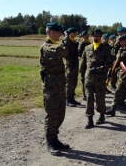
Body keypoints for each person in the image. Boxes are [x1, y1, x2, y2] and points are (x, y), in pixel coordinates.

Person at [39, 22, 70, 156]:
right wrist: (68, 39)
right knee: (52, 114)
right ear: (52, 33)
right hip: (51, 87)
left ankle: (55, 139)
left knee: (60, 113)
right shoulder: (47, 47)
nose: (60, 35)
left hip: (59, 85)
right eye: (59, 33)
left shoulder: (55, 44)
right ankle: (50, 141)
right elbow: (62, 52)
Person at [80, 29, 113, 129]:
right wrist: (81, 74)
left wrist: (98, 69)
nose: (96, 37)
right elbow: (83, 62)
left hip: (99, 79)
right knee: (89, 98)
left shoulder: (105, 49)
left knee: (100, 98)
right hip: (88, 79)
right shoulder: (87, 48)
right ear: (92, 36)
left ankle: (102, 115)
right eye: (95, 35)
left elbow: (109, 64)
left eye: (98, 35)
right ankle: (90, 119)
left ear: (101, 36)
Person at [65, 27, 82, 107]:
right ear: (69, 33)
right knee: (69, 81)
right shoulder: (67, 41)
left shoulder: (73, 41)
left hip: (75, 63)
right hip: (69, 64)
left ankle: (72, 97)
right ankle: (67, 98)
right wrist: (66, 38)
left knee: (74, 81)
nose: (75, 34)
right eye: (73, 32)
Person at [78, 31, 91, 101]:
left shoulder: (88, 42)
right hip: (84, 64)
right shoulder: (82, 43)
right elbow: (79, 53)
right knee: (83, 79)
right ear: (83, 36)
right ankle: (84, 94)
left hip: (89, 64)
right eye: (85, 35)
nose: (87, 35)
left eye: (87, 34)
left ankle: (88, 93)